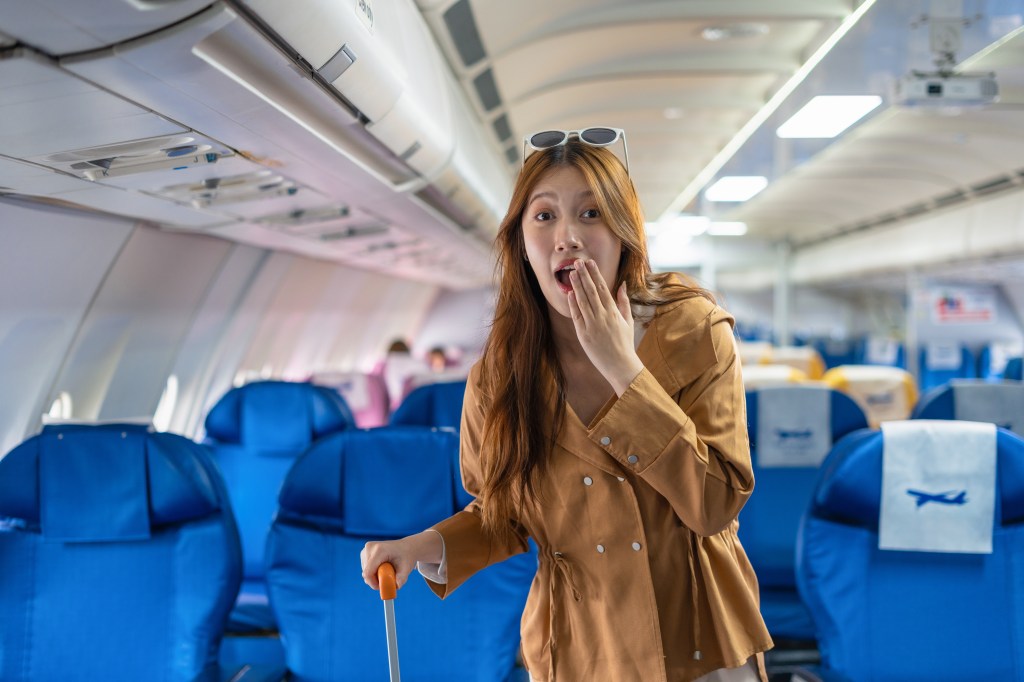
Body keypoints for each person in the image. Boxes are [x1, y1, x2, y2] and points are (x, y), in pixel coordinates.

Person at [361, 128, 772, 681]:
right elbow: (500, 515)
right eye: (545, 215)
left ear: (625, 232)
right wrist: (423, 546)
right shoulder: (500, 373)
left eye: (592, 214)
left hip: (697, 640)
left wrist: (625, 371)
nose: (567, 238)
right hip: (579, 645)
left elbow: (716, 504)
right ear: (521, 242)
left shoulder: (692, 331)